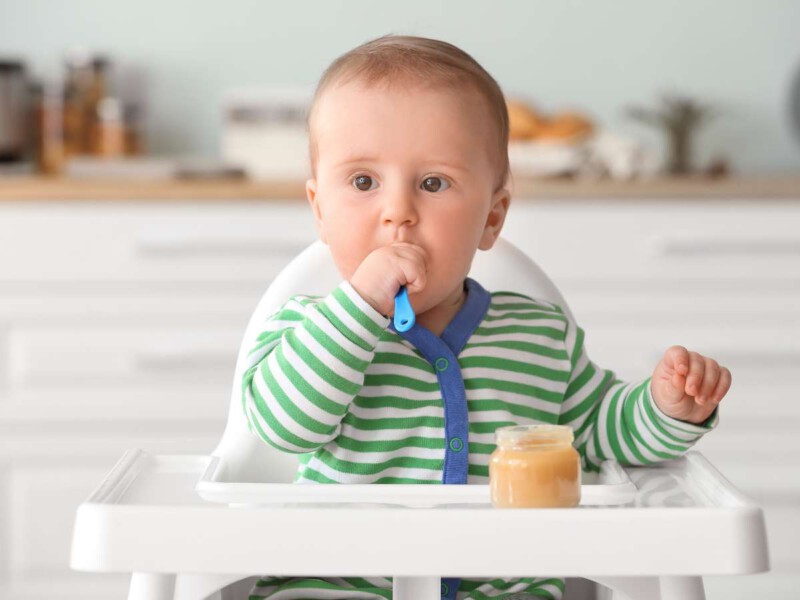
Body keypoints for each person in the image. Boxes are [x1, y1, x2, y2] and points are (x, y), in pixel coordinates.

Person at [241, 34, 731, 600]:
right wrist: (360, 305)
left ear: (492, 217)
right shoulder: (305, 331)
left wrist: (669, 409)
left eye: (433, 183)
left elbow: (605, 433)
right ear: (320, 211)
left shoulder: (540, 336)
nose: (398, 212)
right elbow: (284, 426)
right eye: (363, 182)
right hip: (336, 584)